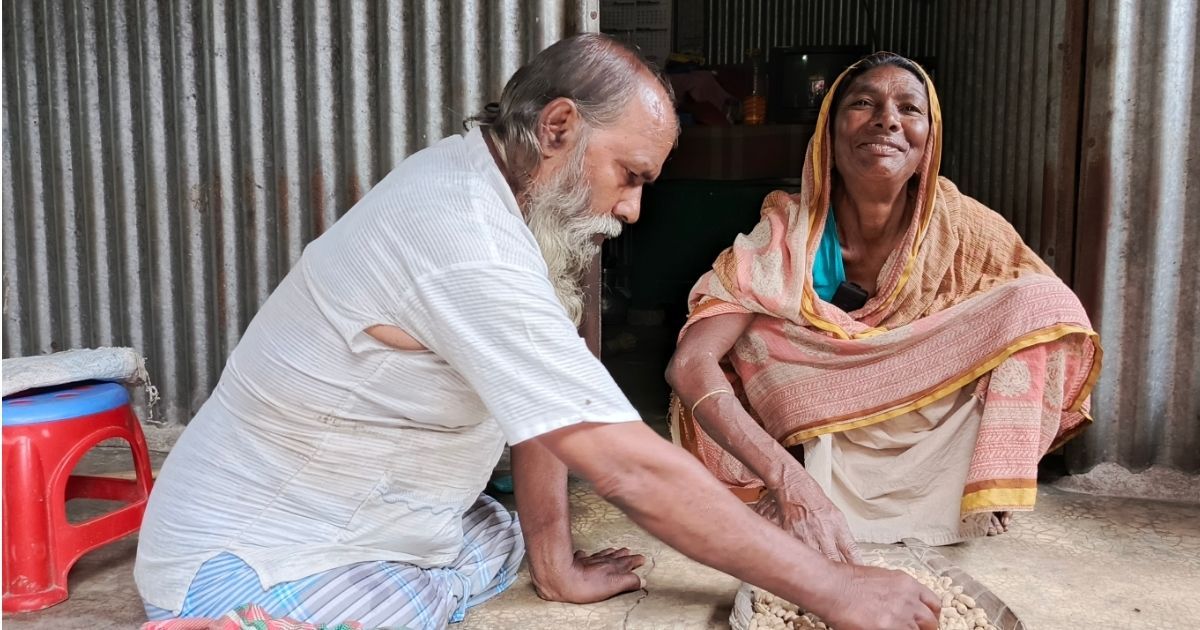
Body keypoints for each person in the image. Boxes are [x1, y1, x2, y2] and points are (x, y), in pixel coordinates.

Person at [135, 36, 941, 630]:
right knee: (435, 583)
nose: (632, 210)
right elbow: (626, 465)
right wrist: (832, 588)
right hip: (250, 561)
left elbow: (547, 404)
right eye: (630, 176)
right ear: (558, 127)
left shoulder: (494, 196)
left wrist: (554, 564)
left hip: (367, 522)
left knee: (496, 532)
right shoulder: (465, 239)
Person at [667, 52, 1101, 559]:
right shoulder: (787, 231)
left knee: (1040, 306)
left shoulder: (963, 226)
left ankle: (968, 488)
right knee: (754, 333)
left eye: (910, 108)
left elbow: (1050, 323)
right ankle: (801, 487)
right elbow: (691, 364)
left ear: (929, 139)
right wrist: (786, 480)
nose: (887, 120)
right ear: (828, 132)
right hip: (815, 427)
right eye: (863, 103)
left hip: (923, 424)